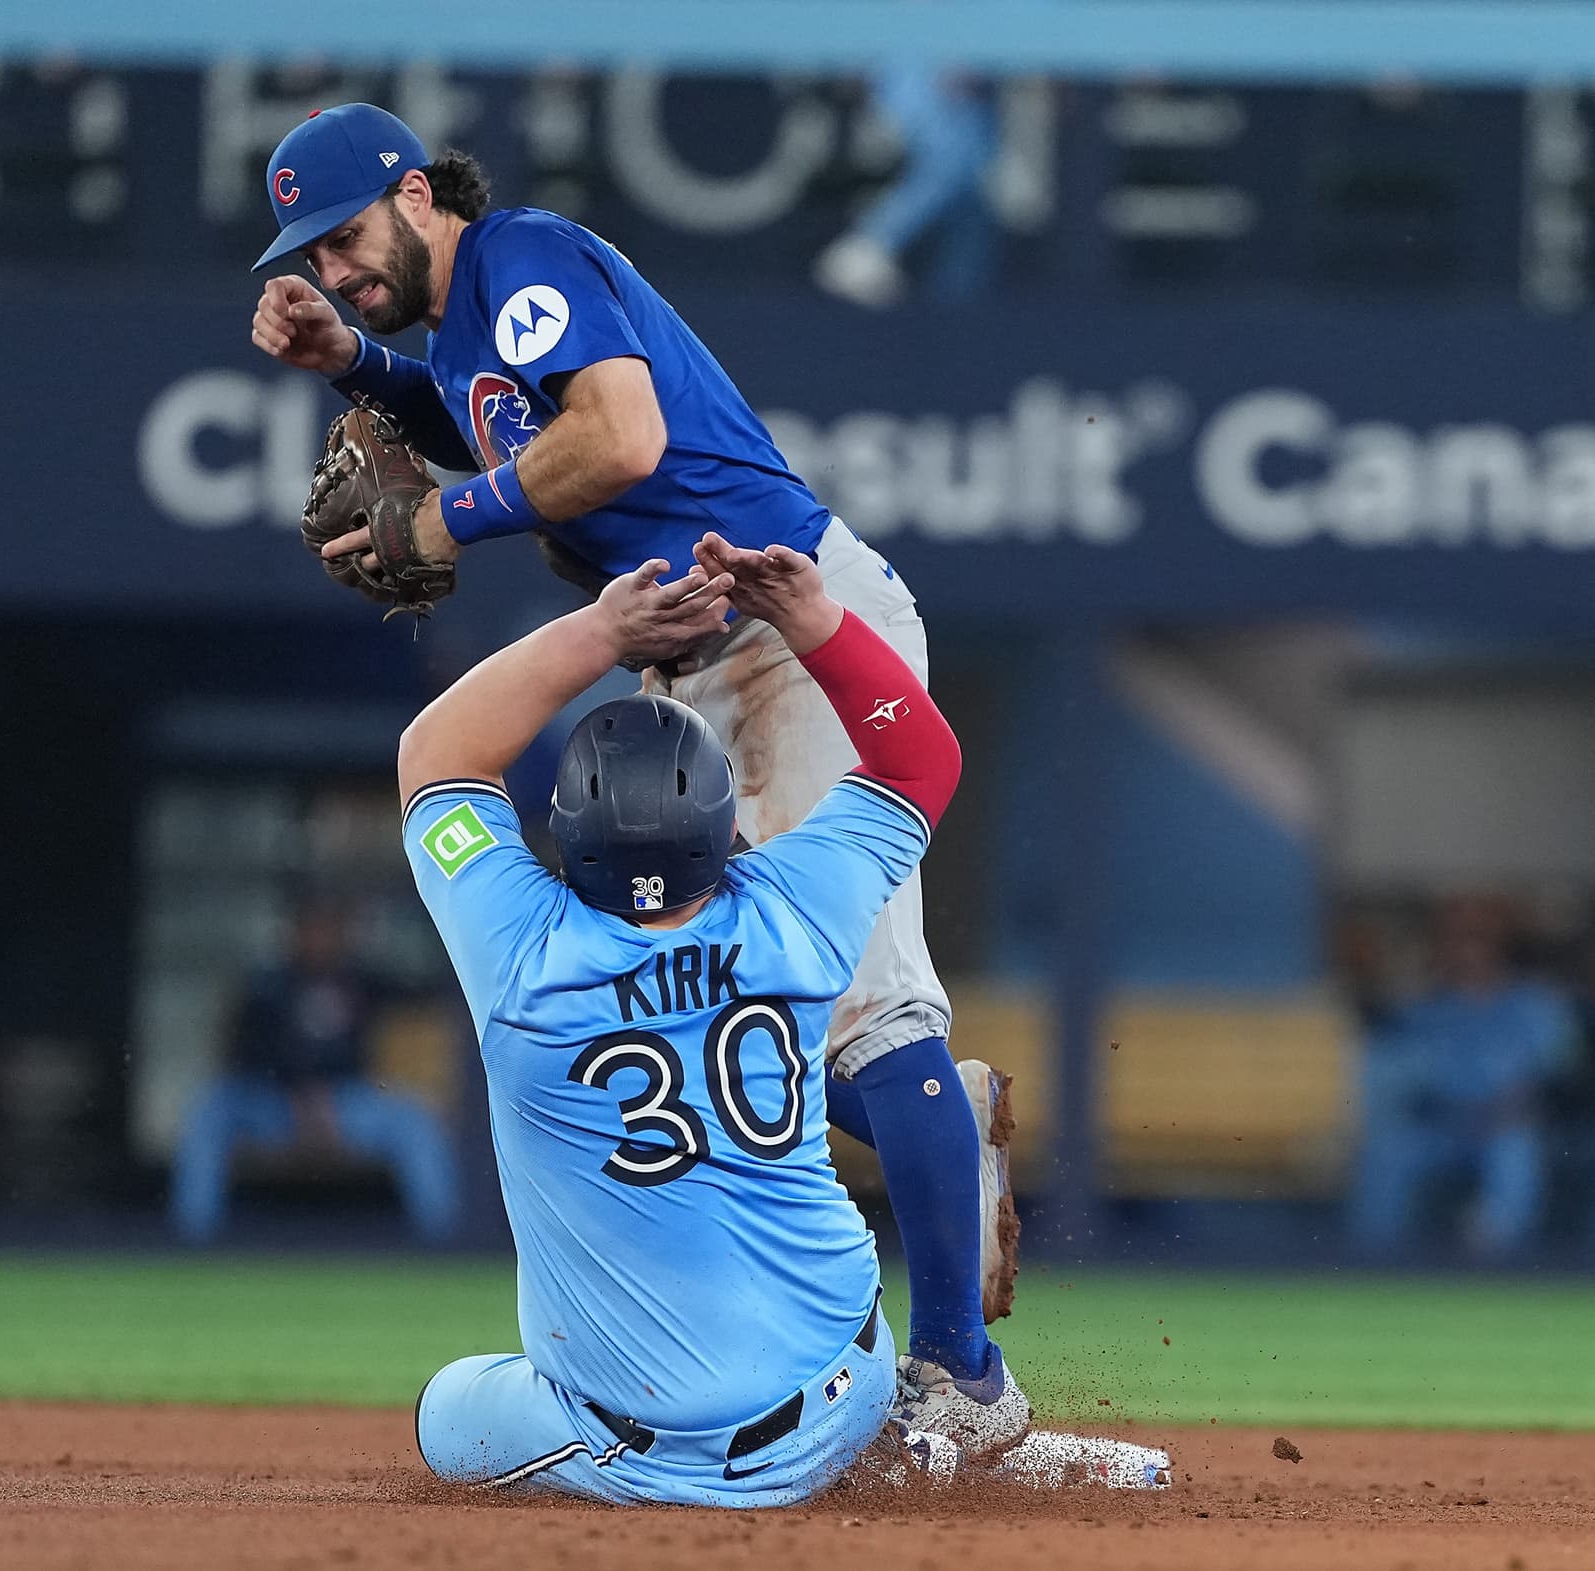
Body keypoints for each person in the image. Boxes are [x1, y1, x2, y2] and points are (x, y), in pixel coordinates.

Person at [244, 103, 1022, 1448]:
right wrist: (359, 362)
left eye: (349, 237)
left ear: (418, 194)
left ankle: (965, 1381)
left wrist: (434, 517)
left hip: (792, 624)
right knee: (719, 999)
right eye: (310, 254)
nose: (334, 264)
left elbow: (619, 439)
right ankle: (941, 1118)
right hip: (703, 659)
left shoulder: (525, 259)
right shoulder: (469, 320)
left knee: (865, 1012)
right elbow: (495, 430)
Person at [401, 537, 1000, 1501]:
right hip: (848, 1389)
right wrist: (813, 619)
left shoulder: (517, 952)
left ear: (562, 833)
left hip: (639, 1450)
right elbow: (921, 752)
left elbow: (434, 755)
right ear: (729, 824)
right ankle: (903, 1428)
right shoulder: (797, 906)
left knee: (446, 1411)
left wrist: (606, 629)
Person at [169, 897, 457, 1244]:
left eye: (329, 930)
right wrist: (298, 1094)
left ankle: (444, 1245)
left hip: (344, 1105)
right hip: (274, 1104)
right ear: (294, 935)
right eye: (313, 930)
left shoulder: (361, 981)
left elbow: (425, 990)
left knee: (415, 1124)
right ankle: (193, 1241)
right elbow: (243, 1056)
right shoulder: (267, 987)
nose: (321, 939)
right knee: (210, 1112)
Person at [1344, 894, 1577, 1262]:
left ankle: (1495, 1265)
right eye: (1457, 938)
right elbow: (1398, 1078)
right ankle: (1372, 1267)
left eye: (1478, 936)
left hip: (1504, 1126)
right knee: (1388, 1153)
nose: (1468, 949)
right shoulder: (1424, 1008)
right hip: (1441, 1127)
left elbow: (1558, 1074)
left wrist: (1510, 1106)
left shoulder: (1536, 1005)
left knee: (1516, 1152)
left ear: (1501, 943)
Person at [814, 61, 1000, 309]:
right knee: (954, 159)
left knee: (971, 203)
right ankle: (869, 246)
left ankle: (954, 318)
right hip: (915, 68)